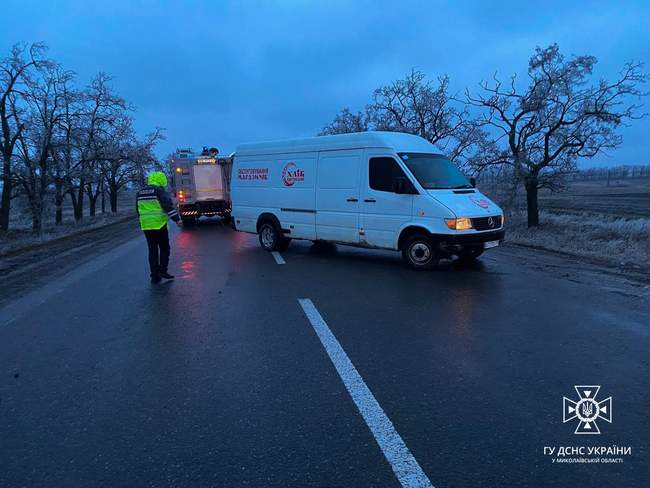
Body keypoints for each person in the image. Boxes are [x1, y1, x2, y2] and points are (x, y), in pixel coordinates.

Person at [136, 171, 182, 283]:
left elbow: (138, 210)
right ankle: (163, 271)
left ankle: (154, 276)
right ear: (161, 180)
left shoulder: (140, 192)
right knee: (164, 248)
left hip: (146, 226)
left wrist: (143, 220)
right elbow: (168, 207)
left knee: (152, 250)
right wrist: (177, 219)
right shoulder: (159, 191)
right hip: (159, 225)